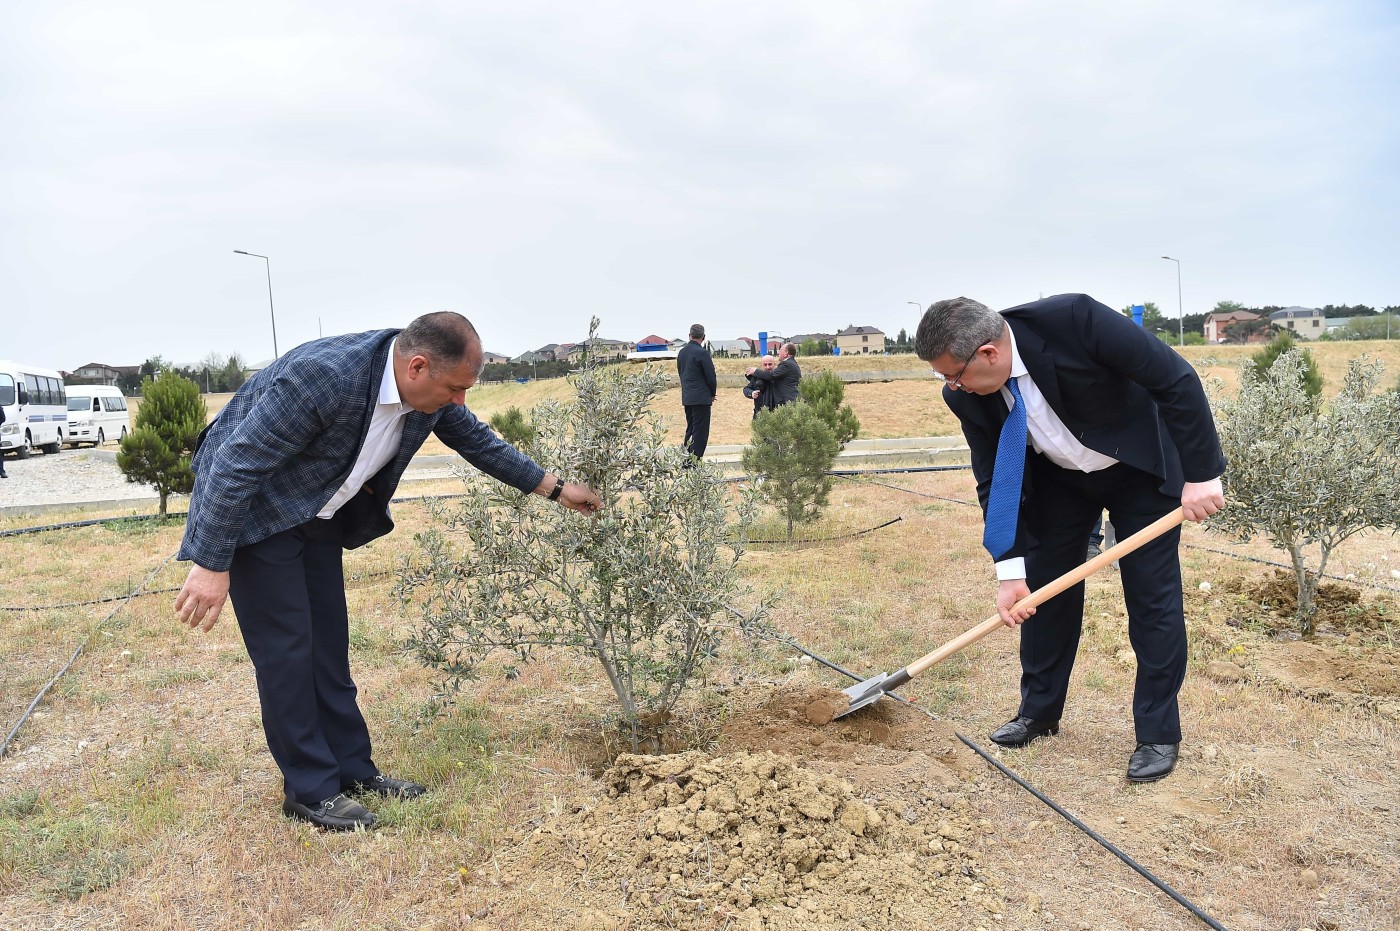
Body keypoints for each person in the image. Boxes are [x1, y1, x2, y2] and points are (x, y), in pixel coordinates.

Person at [173, 312, 604, 830]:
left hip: (316, 515)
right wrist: (211, 562)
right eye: (456, 389)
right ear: (418, 367)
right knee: (288, 653)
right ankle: (310, 790)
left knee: (328, 647)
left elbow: (478, 442)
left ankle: (352, 771)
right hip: (258, 514)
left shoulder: (427, 393)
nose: (460, 401)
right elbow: (234, 465)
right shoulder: (324, 377)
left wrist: (556, 490)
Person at [914, 294, 1224, 783]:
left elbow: (1174, 379)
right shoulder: (965, 396)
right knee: (1043, 592)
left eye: (954, 374)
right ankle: (1039, 712)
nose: (951, 387)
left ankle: (1157, 733)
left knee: (1152, 598)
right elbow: (995, 476)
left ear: (989, 354)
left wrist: (1203, 474)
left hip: (1137, 469)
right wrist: (1009, 568)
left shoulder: (1077, 321)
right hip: (1058, 480)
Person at [676, 323, 717, 460]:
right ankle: (694, 462)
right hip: (701, 397)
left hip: (688, 396)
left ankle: (686, 458)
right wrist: (712, 393)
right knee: (700, 431)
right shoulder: (702, 353)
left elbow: (681, 373)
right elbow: (711, 376)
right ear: (703, 337)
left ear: (689, 335)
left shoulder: (682, 352)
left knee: (691, 429)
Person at [744, 341, 801, 407]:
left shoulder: (786, 364)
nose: (778, 352)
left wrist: (755, 371)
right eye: (765, 364)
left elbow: (771, 375)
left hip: (786, 404)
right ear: (762, 365)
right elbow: (747, 389)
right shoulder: (792, 364)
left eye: (780, 350)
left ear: (786, 353)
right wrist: (751, 393)